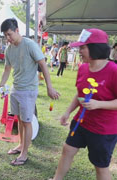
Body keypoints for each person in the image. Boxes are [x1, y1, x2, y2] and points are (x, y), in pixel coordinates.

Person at [50, 29, 117, 180]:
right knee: (67, 149)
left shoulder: (113, 70)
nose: (79, 51)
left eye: (82, 47)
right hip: (81, 121)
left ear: (95, 48)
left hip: (103, 129)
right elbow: (79, 94)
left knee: (100, 167)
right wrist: (67, 112)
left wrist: (99, 104)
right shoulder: (83, 68)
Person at [0, 18, 60, 166]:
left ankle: (24, 154)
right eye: (5, 35)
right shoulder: (9, 49)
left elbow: (43, 65)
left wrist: (49, 87)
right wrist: (1, 85)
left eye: (9, 34)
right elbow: (7, 69)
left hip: (28, 90)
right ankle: (21, 145)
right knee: (19, 120)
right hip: (15, 89)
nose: (8, 38)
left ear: (17, 31)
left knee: (27, 122)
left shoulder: (30, 45)